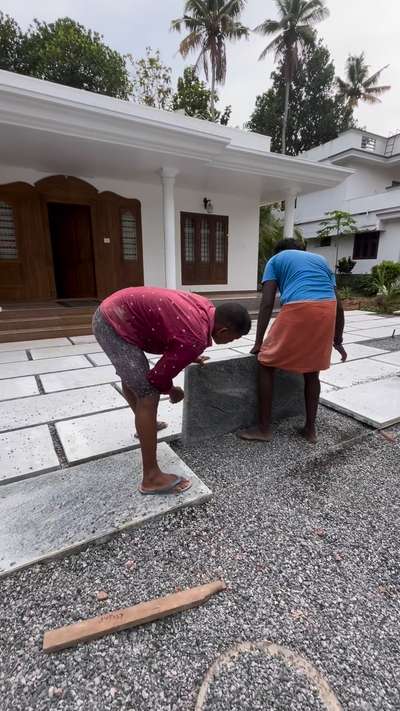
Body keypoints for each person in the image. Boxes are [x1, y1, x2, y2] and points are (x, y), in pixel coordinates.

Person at [93, 287, 251, 494]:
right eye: (233, 339)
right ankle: (151, 477)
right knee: (149, 394)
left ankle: (146, 427)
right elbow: (157, 378)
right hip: (113, 322)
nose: (232, 342)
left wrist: (187, 354)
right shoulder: (193, 337)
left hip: (117, 308)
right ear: (223, 331)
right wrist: (172, 390)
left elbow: (176, 331)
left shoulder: (205, 307)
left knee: (133, 378)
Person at [240, 239, 347, 444]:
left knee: (265, 363)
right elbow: (339, 304)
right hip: (328, 309)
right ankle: (310, 430)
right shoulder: (321, 260)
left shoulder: (275, 259)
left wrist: (258, 342)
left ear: (279, 251)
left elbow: (267, 303)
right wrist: (338, 339)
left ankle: (263, 429)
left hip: (299, 306)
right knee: (312, 371)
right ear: (302, 250)